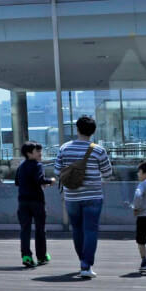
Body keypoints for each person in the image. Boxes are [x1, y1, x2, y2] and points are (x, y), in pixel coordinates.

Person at [56, 116, 114, 279]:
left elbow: (56, 171)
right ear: (93, 131)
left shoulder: (64, 148)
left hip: (71, 197)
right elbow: (108, 174)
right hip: (93, 195)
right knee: (90, 230)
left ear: (77, 129)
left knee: (77, 229)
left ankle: (82, 260)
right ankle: (86, 265)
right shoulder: (98, 150)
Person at [15, 141, 53, 268]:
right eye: (37, 151)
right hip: (36, 201)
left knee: (25, 230)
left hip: (22, 201)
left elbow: (17, 182)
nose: (40, 154)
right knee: (40, 229)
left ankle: (26, 256)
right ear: (29, 153)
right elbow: (40, 180)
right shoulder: (37, 165)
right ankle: (42, 256)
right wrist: (50, 181)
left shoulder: (21, 166)